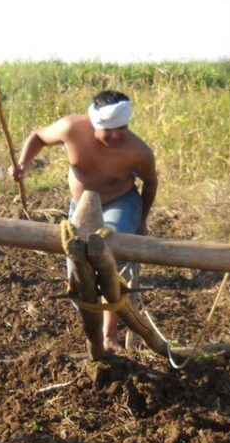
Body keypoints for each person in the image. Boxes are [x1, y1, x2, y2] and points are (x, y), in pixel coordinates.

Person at [10, 90, 158, 351]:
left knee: (107, 254)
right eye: (108, 130)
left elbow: (150, 183)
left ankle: (109, 335)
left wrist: (142, 220)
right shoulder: (71, 128)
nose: (115, 136)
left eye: (121, 129)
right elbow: (38, 137)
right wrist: (23, 164)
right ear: (93, 123)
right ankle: (94, 332)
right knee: (78, 267)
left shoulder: (138, 152)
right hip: (81, 206)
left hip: (120, 202)